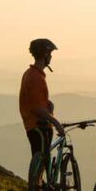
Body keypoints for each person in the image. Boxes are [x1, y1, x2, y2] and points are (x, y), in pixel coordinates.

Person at [19, 38, 65, 171]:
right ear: (45, 55)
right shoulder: (36, 77)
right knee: (41, 163)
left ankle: (39, 188)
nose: (51, 57)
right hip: (39, 126)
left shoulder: (31, 74)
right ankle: (39, 190)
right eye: (50, 54)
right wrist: (56, 123)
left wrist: (47, 104)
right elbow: (37, 108)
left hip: (33, 125)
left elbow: (34, 101)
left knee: (41, 162)